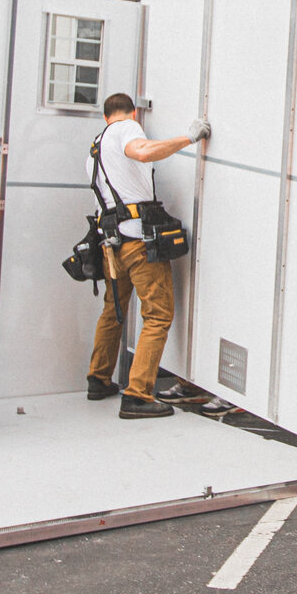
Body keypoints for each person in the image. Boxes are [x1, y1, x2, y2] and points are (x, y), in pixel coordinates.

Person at [85, 93, 205, 420]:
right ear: (132, 112)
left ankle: (99, 378)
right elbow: (142, 152)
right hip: (138, 240)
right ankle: (138, 395)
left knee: (114, 309)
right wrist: (189, 137)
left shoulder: (96, 148)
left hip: (112, 243)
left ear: (105, 115)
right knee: (158, 314)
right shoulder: (127, 129)